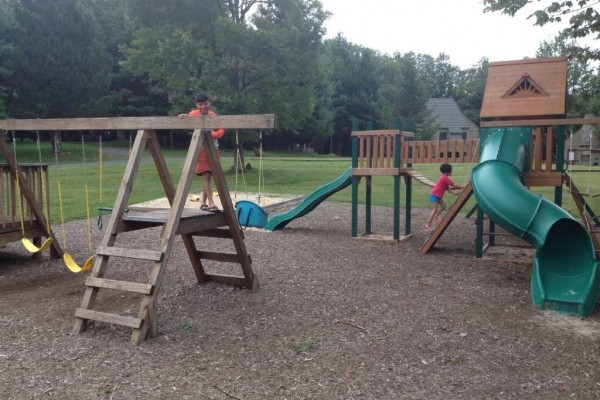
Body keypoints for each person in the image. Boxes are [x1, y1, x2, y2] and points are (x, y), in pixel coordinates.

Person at [178, 92, 225, 212]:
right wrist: (184, 117)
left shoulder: (213, 115)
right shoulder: (194, 114)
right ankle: (211, 202)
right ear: (196, 104)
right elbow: (187, 123)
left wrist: (210, 135)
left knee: (209, 177)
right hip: (202, 149)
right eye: (200, 104)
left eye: (205, 103)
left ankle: (203, 202)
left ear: (209, 103)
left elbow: (221, 130)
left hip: (214, 148)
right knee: (206, 175)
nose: (203, 106)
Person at [425, 163, 463, 231]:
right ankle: (428, 225)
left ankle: (435, 218)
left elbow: (447, 188)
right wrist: (462, 186)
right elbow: (453, 185)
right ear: (447, 172)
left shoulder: (443, 178)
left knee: (444, 206)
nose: (452, 172)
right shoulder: (444, 178)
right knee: (435, 210)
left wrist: (454, 194)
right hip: (434, 196)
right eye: (451, 171)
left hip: (438, 196)